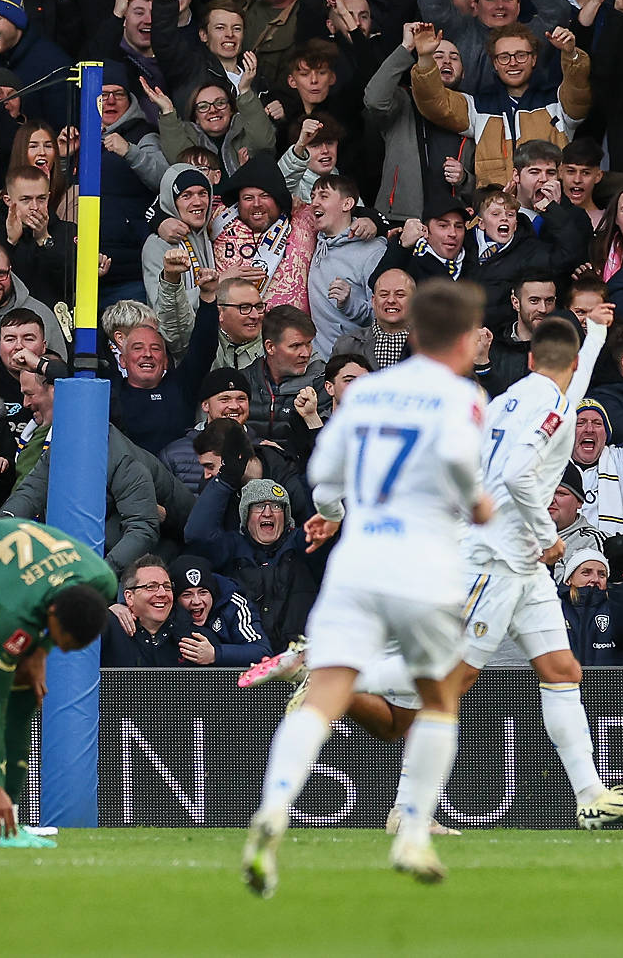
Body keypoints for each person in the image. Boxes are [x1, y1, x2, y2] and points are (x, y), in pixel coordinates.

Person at [242, 278, 495, 894]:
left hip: (358, 561)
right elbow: (464, 473)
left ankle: (273, 809)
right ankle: (412, 829)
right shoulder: (462, 399)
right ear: (464, 340)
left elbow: (325, 480)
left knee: (327, 690)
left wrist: (333, 511)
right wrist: (480, 506)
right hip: (423, 565)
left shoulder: (370, 394)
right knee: (438, 700)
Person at [0, 514, 115, 847]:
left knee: (25, 696)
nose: (65, 650)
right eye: (61, 641)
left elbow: (52, 631)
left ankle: (9, 824)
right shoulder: (19, 615)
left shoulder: (104, 582)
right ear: (50, 617)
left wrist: (41, 652)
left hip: (20, 576)